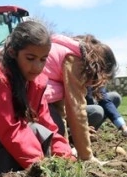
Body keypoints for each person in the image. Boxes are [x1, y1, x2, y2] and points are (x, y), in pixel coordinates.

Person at [0, 20, 74, 175]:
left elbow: (48, 125)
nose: (37, 67)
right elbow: (10, 130)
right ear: (12, 52)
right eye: (30, 58)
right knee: (32, 131)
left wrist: (67, 160)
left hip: (6, 142)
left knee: (40, 130)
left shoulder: (36, 82)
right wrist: (41, 168)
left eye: (43, 59)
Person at [43, 33, 117, 163]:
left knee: (58, 127)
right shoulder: (76, 61)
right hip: (28, 96)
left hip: (33, 95)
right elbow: (77, 110)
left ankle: (63, 154)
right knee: (54, 133)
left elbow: (60, 109)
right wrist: (87, 157)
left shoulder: (64, 53)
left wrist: (66, 146)